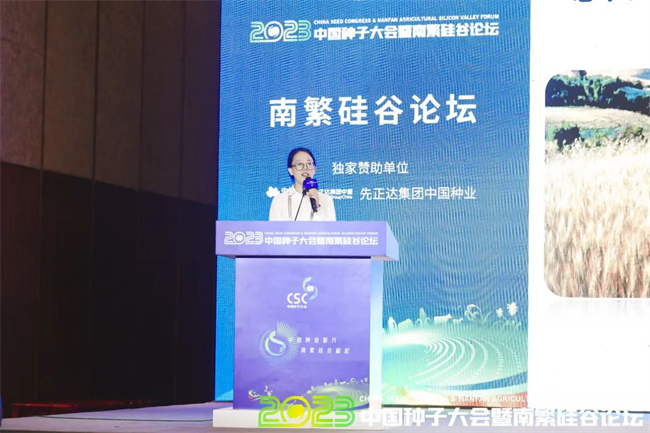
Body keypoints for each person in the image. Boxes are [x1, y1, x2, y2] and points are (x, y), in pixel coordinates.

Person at [269, 147, 336, 221]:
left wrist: (317, 206)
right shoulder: (279, 200)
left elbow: (329, 228)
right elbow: (274, 228)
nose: (305, 168)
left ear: (314, 169)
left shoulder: (326, 200)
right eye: (299, 164)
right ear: (290, 170)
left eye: (309, 163)